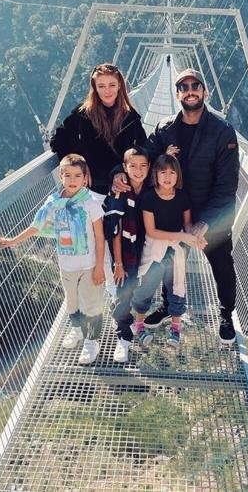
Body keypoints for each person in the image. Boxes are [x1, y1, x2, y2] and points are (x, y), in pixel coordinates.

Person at [113, 68, 240, 344]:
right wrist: (120, 172)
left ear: (205, 92)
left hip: (209, 214)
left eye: (196, 86)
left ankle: (226, 314)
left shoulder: (223, 132)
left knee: (220, 262)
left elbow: (226, 186)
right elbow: (144, 155)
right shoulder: (165, 128)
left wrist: (204, 223)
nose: (190, 91)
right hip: (171, 209)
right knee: (164, 261)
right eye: (184, 87)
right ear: (177, 94)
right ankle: (167, 307)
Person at [0, 154, 106, 365]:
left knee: (91, 305)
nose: (72, 180)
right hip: (66, 265)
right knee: (72, 303)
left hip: (89, 264)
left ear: (85, 178)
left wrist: (100, 267)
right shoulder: (53, 202)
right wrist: (14, 240)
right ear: (61, 176)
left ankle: (91, 342)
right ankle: (76, 330)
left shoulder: (91, 204)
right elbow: (36, 226)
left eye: (77, 175)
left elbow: (100, 237)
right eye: (68, 175)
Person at [131, 155, 205, 348]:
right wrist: (182, 237)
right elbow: (151, 231)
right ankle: (138, 325)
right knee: (146, 287)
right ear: (155, 174)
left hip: (174, 252)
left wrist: (196, 237)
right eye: (162, 172)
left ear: (177, 175)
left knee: (176, 288)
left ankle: (175, 328)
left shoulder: (182, 196)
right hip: (155, 250)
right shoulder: (149, 197)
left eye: (172, 172)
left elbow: (187, 225)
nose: (167, 177)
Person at [50, 63, 147, 196]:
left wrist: (124, 171)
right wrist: (79, 164)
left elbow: (143, 148)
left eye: (112, 85)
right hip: (91, 189)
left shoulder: (130, 117)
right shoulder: (83, 114)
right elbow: (58, 140)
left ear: (120, 86)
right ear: (95, 88)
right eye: (101, 86)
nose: (107, 91)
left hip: (121, 186)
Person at [102, 147, 150, 362]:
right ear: (124, 168)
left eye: (143, 166)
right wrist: (118, 263)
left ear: (149, 167)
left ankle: (132, 319)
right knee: (124, 289)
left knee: (139, 288)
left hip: (147, 247)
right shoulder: (119, 191)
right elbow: (115, 231)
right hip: (126, 250)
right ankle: (124, 337)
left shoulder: (152, 188)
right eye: (133, 166)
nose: (138, 171)